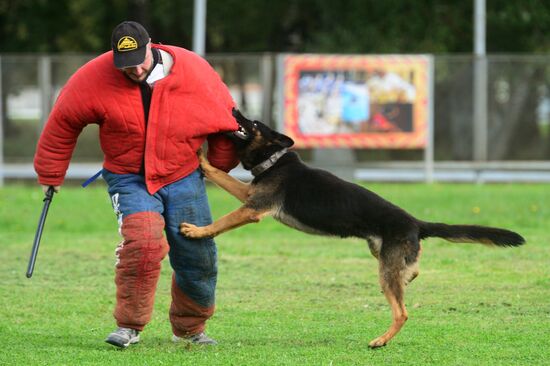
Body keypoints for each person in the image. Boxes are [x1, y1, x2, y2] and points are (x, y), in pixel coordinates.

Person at [33, 21, 239, 348]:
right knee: (143, 242)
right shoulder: (93, 77)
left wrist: (221, 165)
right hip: (128, 177)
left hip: (183, 174)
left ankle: (190, 328)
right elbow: (63, 122)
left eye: (139, 61)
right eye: (125, 64)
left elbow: (225, 118)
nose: (134, 69)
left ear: (151, 47)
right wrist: (51, 174)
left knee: (197, 253)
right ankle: (129, 326)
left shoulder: (193, 69)